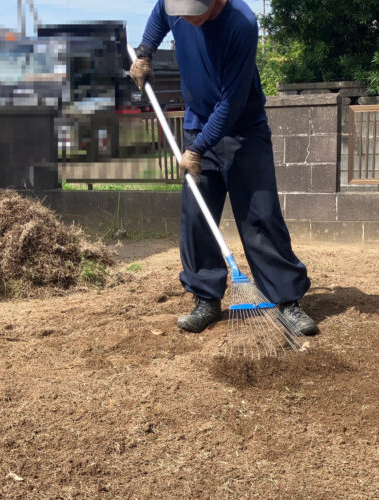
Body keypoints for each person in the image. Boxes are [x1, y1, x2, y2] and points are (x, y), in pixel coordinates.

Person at [130, 0, 318, 336]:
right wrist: (145, 51)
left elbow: (231, 103)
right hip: (196, 125)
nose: (184, 20)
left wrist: (197, 148)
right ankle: (206, 298)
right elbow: (161, 11)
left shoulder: (240, 24)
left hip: (243, 130)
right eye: (181, 13)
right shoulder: (177, 7)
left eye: (192, 13)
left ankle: (287, 300)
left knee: (261, 215)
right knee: (197, 218)